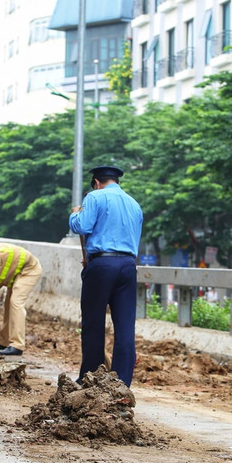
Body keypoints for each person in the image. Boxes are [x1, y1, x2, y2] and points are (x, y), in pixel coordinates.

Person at [69, 165, 144, 387]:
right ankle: (121, 384)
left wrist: (75, 214)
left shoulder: (95, 196)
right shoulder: (134, 204)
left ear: (97, 182)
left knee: (93, 322)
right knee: (125, 326)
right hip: (128, 265)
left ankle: (89, 378)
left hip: (102, 264)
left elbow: (81, 226)